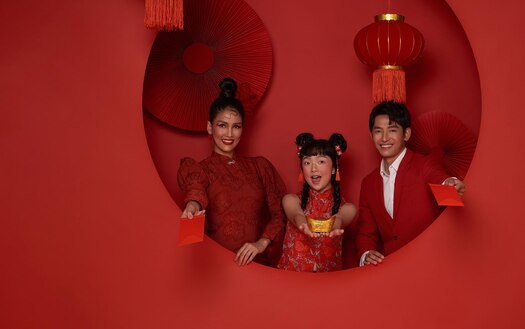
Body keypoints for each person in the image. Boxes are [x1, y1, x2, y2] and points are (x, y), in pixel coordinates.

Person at [178, 78, 286, 266]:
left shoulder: (260, 167)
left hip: (257, 269)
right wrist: (192, 206)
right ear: (210, 127)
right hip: (217, 270)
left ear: (242, 130)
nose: (229, 134)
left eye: (236, 126)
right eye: (222, 125)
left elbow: (279, 214)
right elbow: (196, 190)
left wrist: (262, 243)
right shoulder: (200, 169)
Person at [356, 101, 465, 266]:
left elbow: (440, 178)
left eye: (392, 130)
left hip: (433, 263)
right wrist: (366, 254)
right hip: (391, 271)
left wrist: (450, 184)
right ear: (371, 135)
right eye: (378, 131)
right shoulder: (368, 183)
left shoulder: (425, 165)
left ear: (406, 134)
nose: (384, 138)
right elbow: (366, 232)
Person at [278, 133, 357, 272]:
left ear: (333, 168)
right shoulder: (290, 200)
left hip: (328, 288)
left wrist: (333, 226)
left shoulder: (348, 208)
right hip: (290, 284)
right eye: (307, 162)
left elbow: (339, 219)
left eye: (321, 161)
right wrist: (303, 224)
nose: (313, 168)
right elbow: (297, 215)